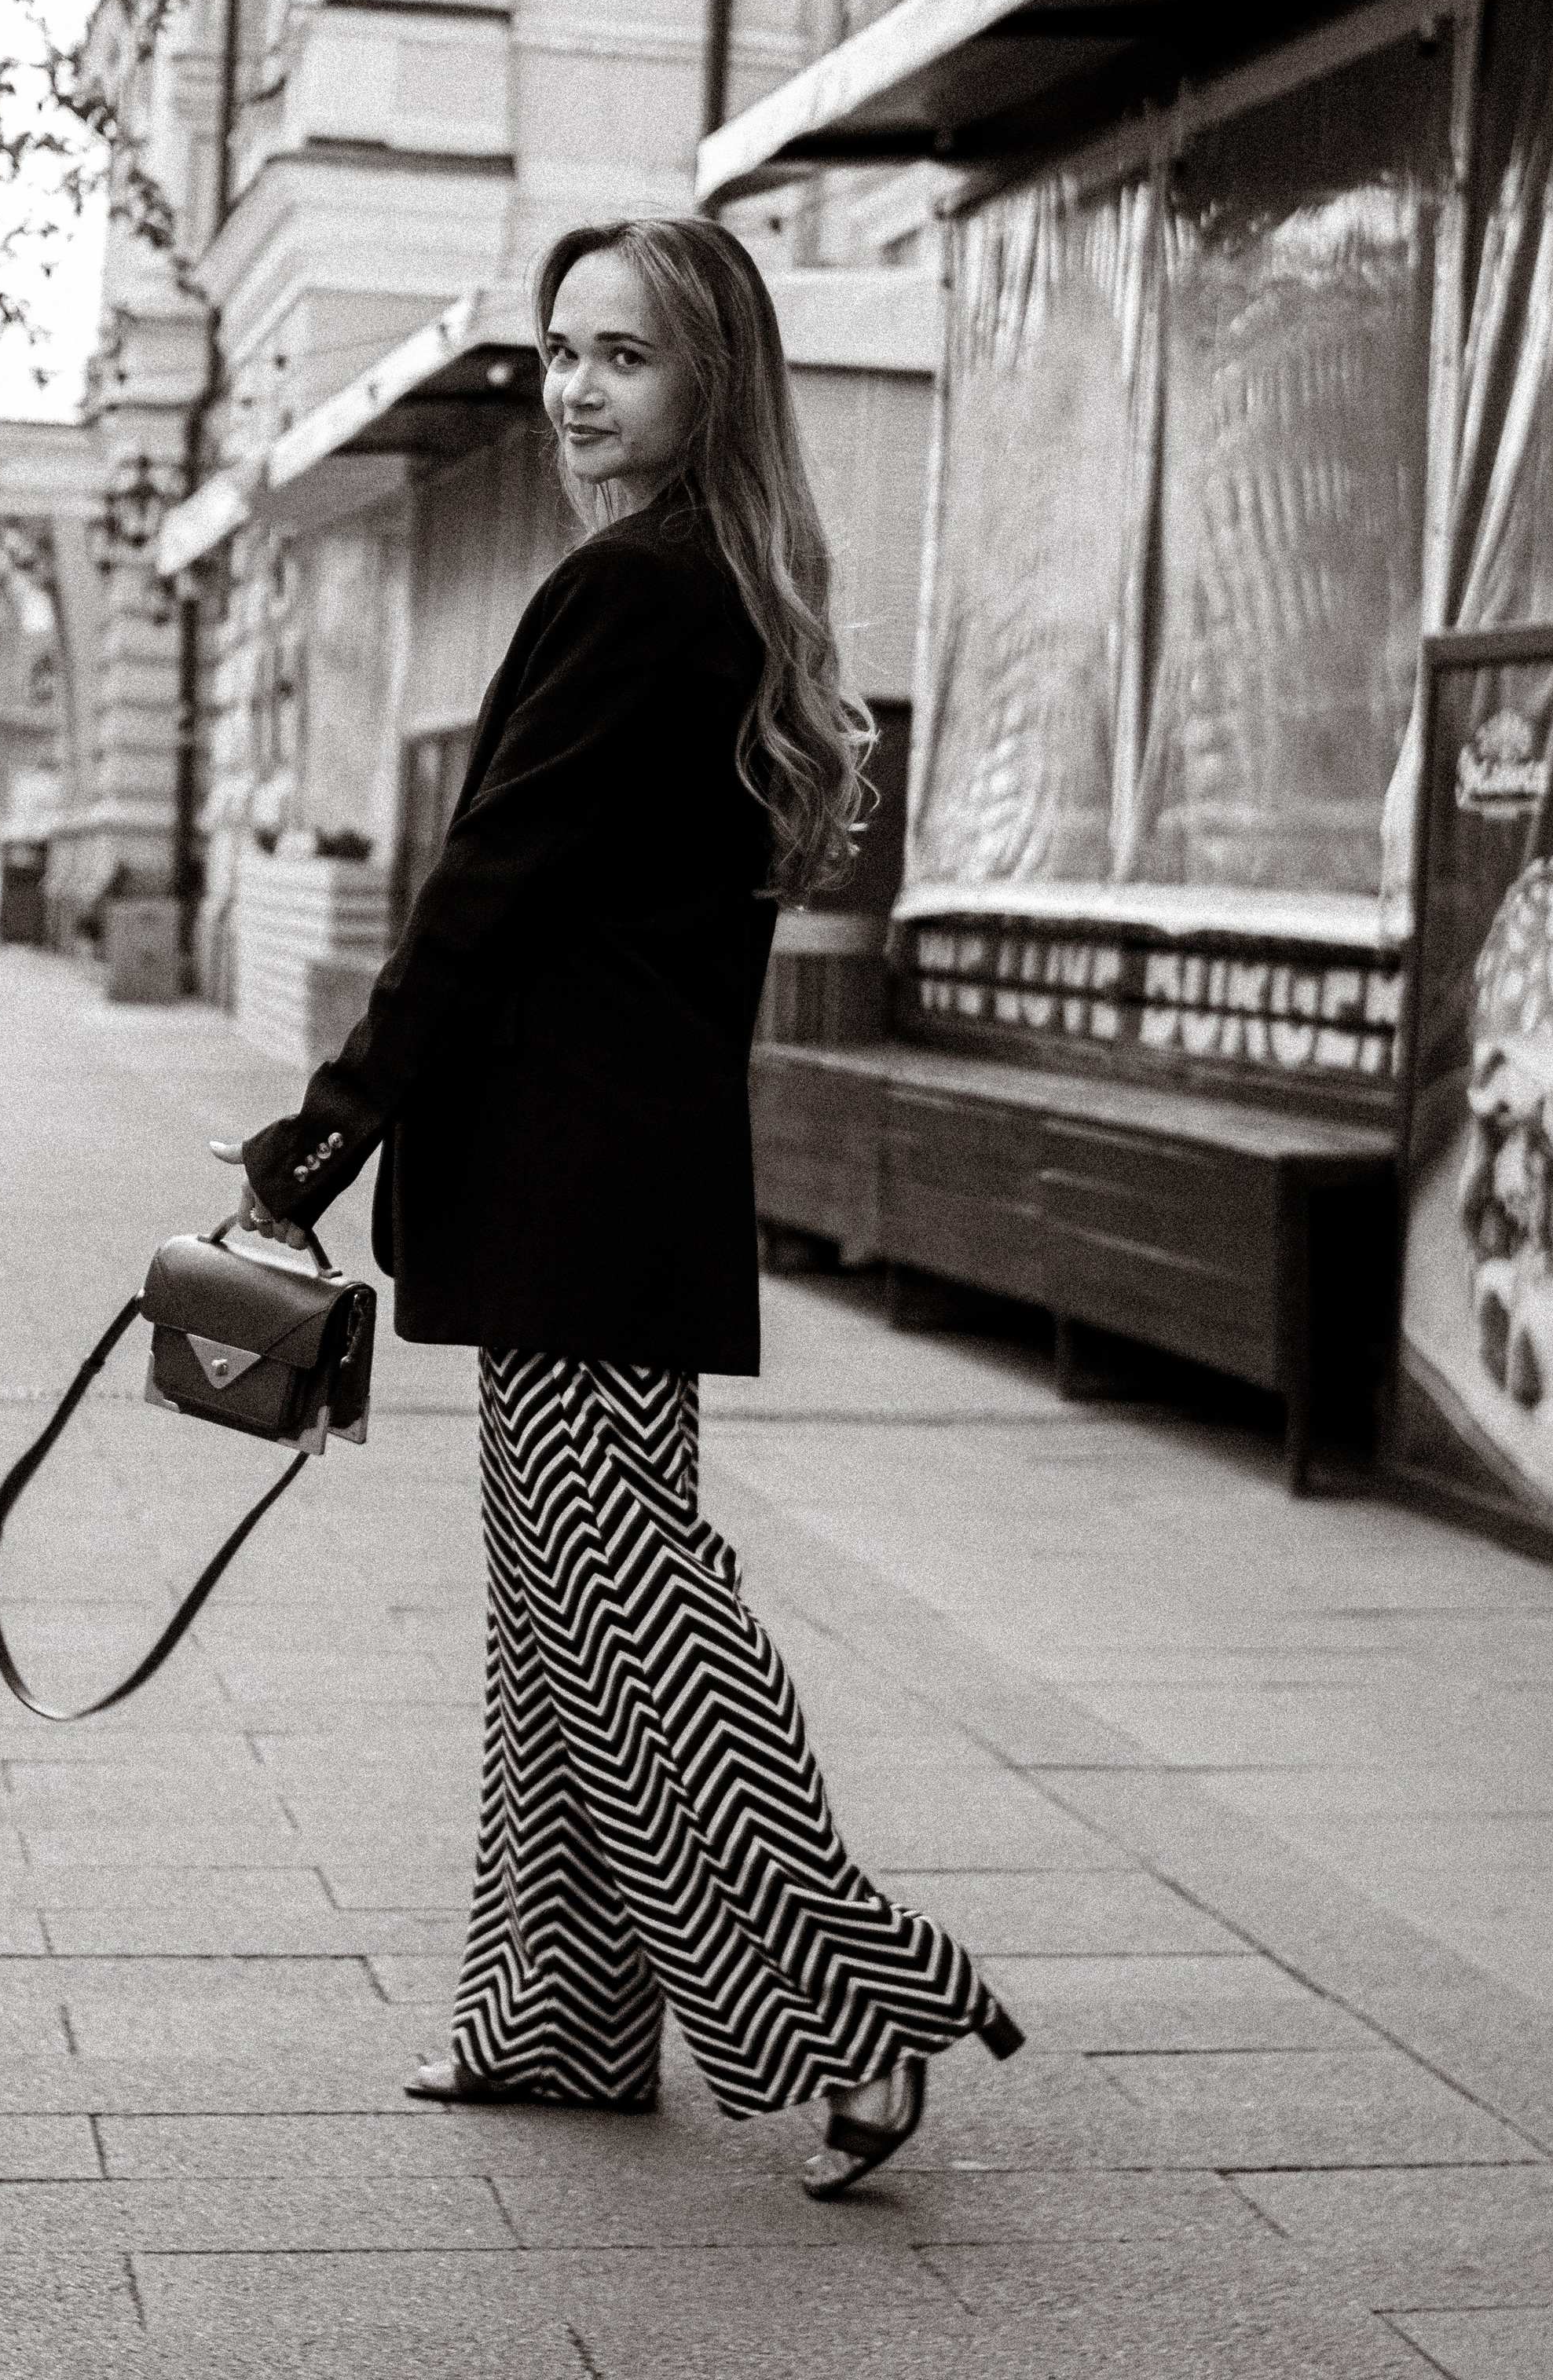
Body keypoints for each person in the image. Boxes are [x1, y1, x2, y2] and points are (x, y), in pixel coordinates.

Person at [215, 216, 1021, 2195]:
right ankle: (566, 2019)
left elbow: (482, 888)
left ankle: (865, 1992)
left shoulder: (640, 592)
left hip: (577, 1180)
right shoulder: (705, 585)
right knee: (573, 1611)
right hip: (605, 1174)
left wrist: (318, 1137)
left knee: (627, 1612)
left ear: (708, 383)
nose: (576, 389)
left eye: (624, 358)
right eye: (561, 351)